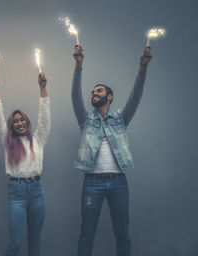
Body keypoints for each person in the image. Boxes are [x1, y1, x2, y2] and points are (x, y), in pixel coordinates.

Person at [71, 44, 153, 256]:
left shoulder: (120, 119)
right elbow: (75, 96)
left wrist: (142, 69)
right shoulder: (85, 120)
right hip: (92, 182)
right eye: (92, 92)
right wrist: (78, 67)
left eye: (99, 91)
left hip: (118, 182)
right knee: (86, 234)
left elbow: (136, 96)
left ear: (109, 97)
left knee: (122, 234)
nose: (94, 93)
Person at [0, 72, 50, 256]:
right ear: (12, 126)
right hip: (17, 193)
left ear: (27, 122)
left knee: (35, 244)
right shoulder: (7, 143)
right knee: (15, 244)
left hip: (37, 191)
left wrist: (42, 88)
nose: (19, 122)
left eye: (22, 119)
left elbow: (45, 117)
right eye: (15, 121)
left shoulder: (38, 139)